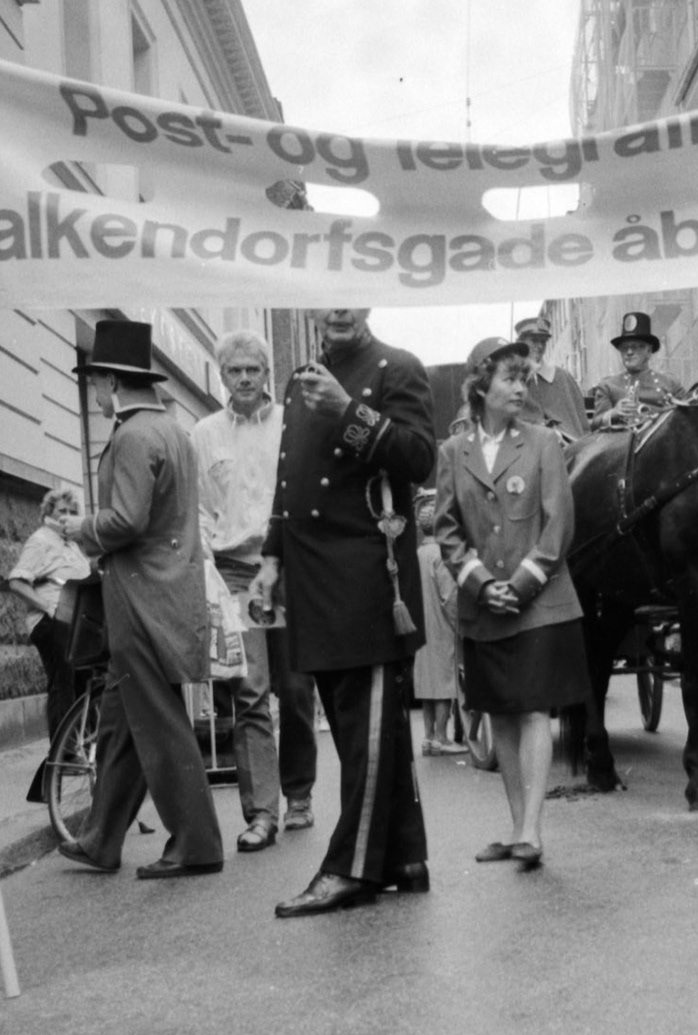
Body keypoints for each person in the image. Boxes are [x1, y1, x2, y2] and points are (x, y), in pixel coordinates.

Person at [257, 307, 436, 916]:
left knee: (368, 732)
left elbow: (419, 459)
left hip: (367, 574)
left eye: (347, 296)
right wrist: (271, 557)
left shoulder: (399, 368)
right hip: (311, 573)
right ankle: (405, 855)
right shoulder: (299, 378)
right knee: (363, 730)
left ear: (365, 303)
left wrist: (350, 412)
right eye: (325, 296)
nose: (335, 309)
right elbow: (289, 481)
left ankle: (352, 867)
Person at [54, 319, 223, 880]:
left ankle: (196, 842)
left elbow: (126, 520)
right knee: (122, 722)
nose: (95, 395)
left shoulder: (131, 436)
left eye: (95, 384)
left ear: (108, 381)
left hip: (140, 598)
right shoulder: (171, 429)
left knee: (157, 722)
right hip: (168, 593)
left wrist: (79, 526)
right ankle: (103, 837)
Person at [435, 339, 588, 869]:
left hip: (541, 602)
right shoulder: (453, 452)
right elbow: (447, 528)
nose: (521, 388)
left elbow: (559, 523)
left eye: (524, 379)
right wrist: (478, 582)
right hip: (483, 606)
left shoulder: (544, 441)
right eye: (510, 379)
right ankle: (516, 823)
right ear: (481, 387)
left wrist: (520, 582)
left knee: (533, 711)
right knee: (499, 711)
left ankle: (532, 830)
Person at [193, 330, 319, 849]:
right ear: (220, 375)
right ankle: (260, 814)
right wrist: (205, 568)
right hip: (238, 573)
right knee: (249, 692)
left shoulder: (291, 424)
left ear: (267, 374)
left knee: (293, 688)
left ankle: (300, 795)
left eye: (253, 369)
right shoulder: (204, 433)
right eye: (234, 370)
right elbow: (199, 507)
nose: (244, 378)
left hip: (286, 570)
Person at [7, 488, 89, 744]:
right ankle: (64, 750)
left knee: (82, 681)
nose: (66, 517)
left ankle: (81, 744)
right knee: (63, 681)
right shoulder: (40, 540)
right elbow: (17, 582)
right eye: (61, 511)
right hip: (52, 620)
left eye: (71, 512)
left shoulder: (72, 545)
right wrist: (49, 608)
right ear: (48, 513)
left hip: (76, 620)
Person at [411, 489, 465, 756]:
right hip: (441, 626)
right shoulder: (440, 554)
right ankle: (443, 738)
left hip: (420, 627)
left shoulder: (416, 554)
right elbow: (449, 597)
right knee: (443, 684)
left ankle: (429, 736)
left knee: (426, 685)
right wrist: (462, 625)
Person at [592, 312, 685, 427]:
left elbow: (686, 418)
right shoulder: (608, 386)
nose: (629, 352)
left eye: (635, 347)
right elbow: (595, 425)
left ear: (649, 351)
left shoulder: (670, 383)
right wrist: (614, 413)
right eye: (624, 348)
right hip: (622, 442)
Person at [513, 315, 590, 441]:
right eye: (533, 340)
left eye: (543, 341)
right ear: (520, 344)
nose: (539, 346)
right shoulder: (514, 382)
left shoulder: (563, 377)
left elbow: (583, 425)